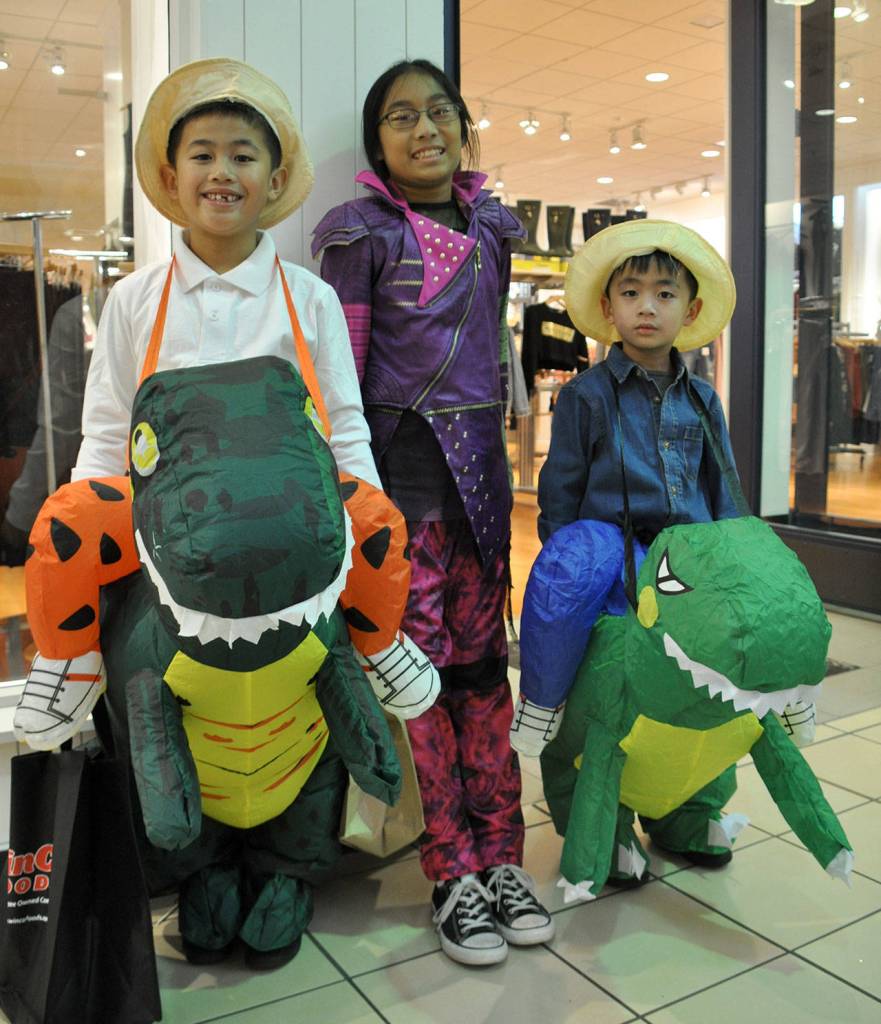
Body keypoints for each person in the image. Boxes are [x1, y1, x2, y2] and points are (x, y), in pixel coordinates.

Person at [13, 58, 433, 749]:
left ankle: (381, 642)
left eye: (242, 156)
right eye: (201, 155)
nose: (220, 172)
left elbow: (344, 423)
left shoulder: (310, 299)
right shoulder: (132, 300)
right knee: (70, 520)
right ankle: (69, 662)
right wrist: (95, 543)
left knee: (374, 518)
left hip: (292, 526)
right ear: (172, 178)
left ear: (271, 181)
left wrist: (364, 520)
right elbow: (106, 433)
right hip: (163, 535)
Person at [312, 58, 554, 967]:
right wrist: (356, 499)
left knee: (485, 677)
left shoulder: (493, 226)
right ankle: (452, 871)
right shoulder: (356, 233)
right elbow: (340, 381)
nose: (425, 130)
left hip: (483, 496)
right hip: (397, 500)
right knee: (418, 690)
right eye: (402, 117)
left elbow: (492, 362)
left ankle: (503, 859)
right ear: (377, 140)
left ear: (463, 128)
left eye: (440, 113)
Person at [517, 219, 747, 868]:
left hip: (691, 574)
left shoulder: (703, 399)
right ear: (608, 307)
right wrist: (568, 579)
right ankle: (604, 820)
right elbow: (559, 493)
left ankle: (687, 812)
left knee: (696, 693)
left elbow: (724, 489)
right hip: (611, 572)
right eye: (632, 293)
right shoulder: (585, 398)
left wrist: (736, 567)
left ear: (691, 309)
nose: (647, 306)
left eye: (665, 294)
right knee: (605, 703)